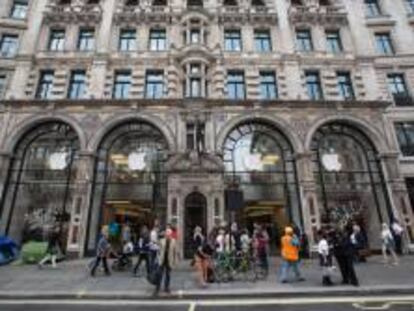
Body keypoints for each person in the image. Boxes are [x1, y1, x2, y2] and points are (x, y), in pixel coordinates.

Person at [154, 227, 178, 296]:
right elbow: (158, 249)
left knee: (168, 275)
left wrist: (175, 262)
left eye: (169, 233)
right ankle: (157, 288)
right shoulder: (162, 240)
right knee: (159, 274)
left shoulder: (174, 241)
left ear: (170, 234)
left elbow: (175, 252)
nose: (167, 234)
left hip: (169, 260)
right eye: (166, 233)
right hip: (162, 260)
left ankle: (166, 287)